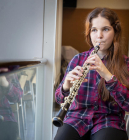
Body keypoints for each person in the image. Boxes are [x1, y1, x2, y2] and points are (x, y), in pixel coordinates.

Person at [54, 7, 129, 140]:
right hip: (77, 118)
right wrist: (66, 86)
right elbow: (59, 98)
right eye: (94, 30)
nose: (99, 36)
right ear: (89, 33)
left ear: (115, 32)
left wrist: (108, 76)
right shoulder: (78, 59)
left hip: (109, 120)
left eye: (105, 29)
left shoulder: (125, 63)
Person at [0, 66, 23, 140]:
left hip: (3, 116)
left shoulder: (7, 67)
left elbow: (17, 97)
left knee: (9, 130)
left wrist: (5, 83)